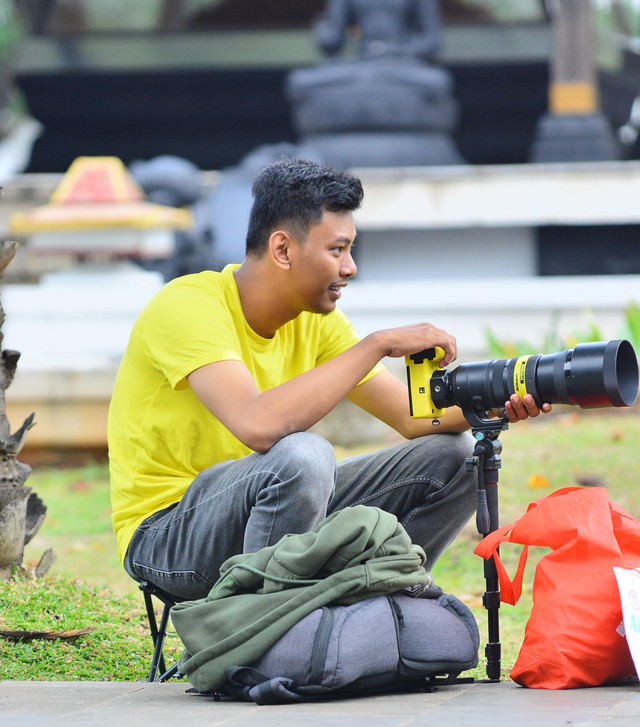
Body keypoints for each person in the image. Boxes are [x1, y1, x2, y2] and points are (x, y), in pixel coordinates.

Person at [108, 157, 549, 601]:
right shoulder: (187, 306)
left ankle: (381, 611)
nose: (350, 267)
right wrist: (376, 344)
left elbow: (413, 419)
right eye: (337, 250)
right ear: (282, 250)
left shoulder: (316, 320)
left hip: (271, 509)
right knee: (303, 456)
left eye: (349, 249)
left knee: (457, 456)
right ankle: (261, 636)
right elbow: (257, 425)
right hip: (168, 535)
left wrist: (504, 400)